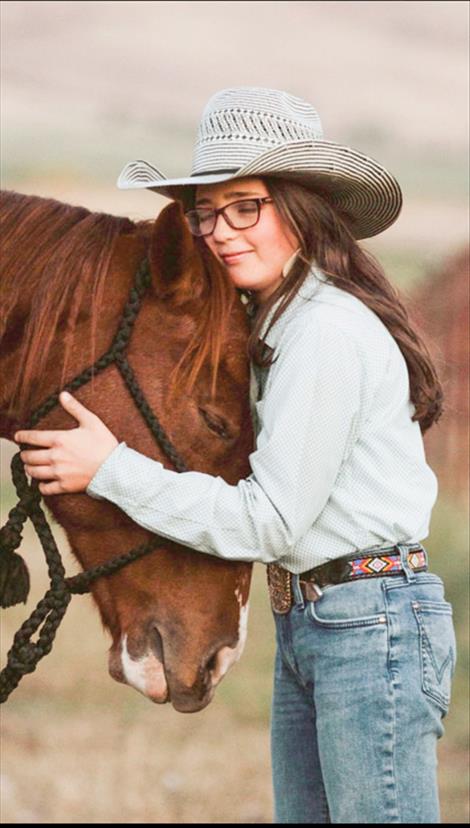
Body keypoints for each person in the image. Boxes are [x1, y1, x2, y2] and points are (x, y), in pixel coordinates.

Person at [15, 87, 457, 824]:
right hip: (319, 617)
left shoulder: (324, 334)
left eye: (245, 206)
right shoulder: (275, 328)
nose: (220, 231)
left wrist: (112, 470)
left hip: (368, 620)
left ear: (304, 207)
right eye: (207, 212)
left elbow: (273, 521)